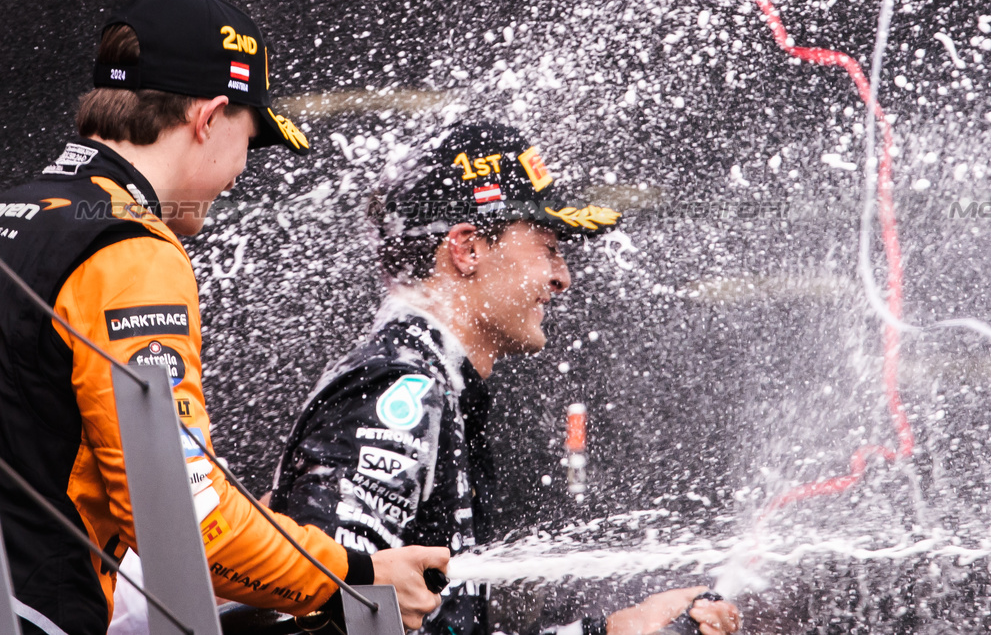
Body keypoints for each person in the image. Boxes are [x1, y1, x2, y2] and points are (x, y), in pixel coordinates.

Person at [0, 0, 449, 635]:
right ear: (208, 120)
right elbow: (183, 522)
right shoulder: (129, 250)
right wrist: (354, 576)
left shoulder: (20, 213)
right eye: (249, 139)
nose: (240, 172)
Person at [269, 123, 741, 635]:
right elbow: (323, 621)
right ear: (467, 249)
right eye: (548, 247)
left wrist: (611, 632)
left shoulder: (430, 382)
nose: (562, 278)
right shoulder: (402, 388)